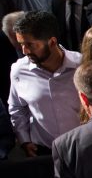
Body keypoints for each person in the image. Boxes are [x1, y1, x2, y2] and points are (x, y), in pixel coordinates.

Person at [8, 11, 82, 157]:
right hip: (44, 153)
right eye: (21, 44)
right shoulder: (18, 71)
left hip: (83, 150)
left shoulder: (82, 65)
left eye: (30, 44)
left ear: (52, 42)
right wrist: (24, 140)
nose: (24, 51)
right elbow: (17, 107)